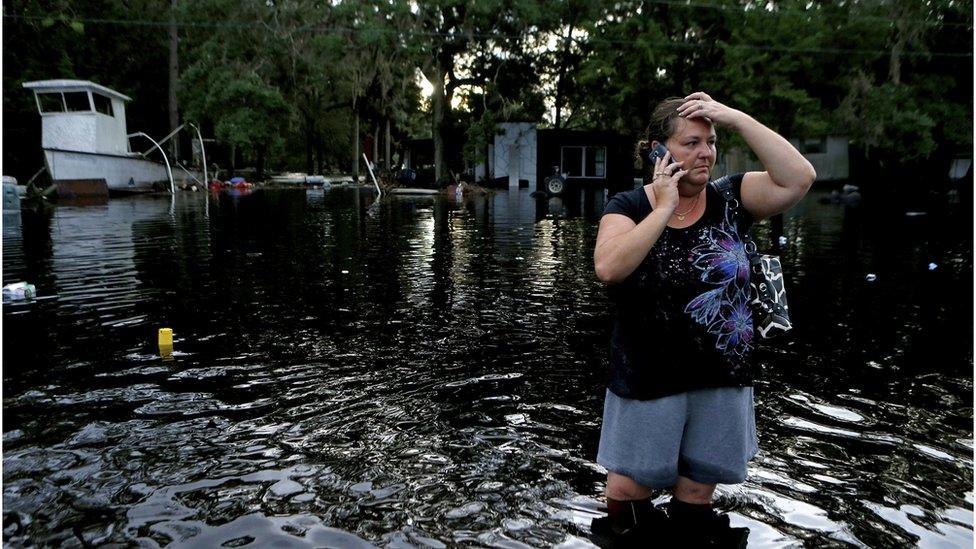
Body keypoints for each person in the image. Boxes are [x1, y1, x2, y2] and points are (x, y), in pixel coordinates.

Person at [590, 91, 815, 545]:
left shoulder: (732, 197)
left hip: (720, 374)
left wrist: (734, 117)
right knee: (627, 489)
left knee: (697, 489)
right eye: (691, 142)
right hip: (649, 375)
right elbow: (610, 268)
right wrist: (664, 208)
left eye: (710, 142)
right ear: (658, 150)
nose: (706, 152)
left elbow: (798, 179)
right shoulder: (628, 207)